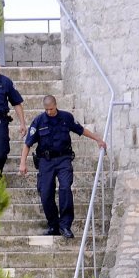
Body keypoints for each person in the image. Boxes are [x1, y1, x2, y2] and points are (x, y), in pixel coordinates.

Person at [18, 95, 106, 238]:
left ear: (56, 105)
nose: (49, 112)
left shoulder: (66, 117)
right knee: (46, 193)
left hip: (63, 159)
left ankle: (65, 225)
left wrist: (98, 139)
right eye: (46, 109)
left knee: (65, 188)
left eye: (51, 109)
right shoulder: (39, 121)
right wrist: (22, 163)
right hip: (45, 161)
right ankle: (53, 225)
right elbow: (28, 143)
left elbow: (81, 130)